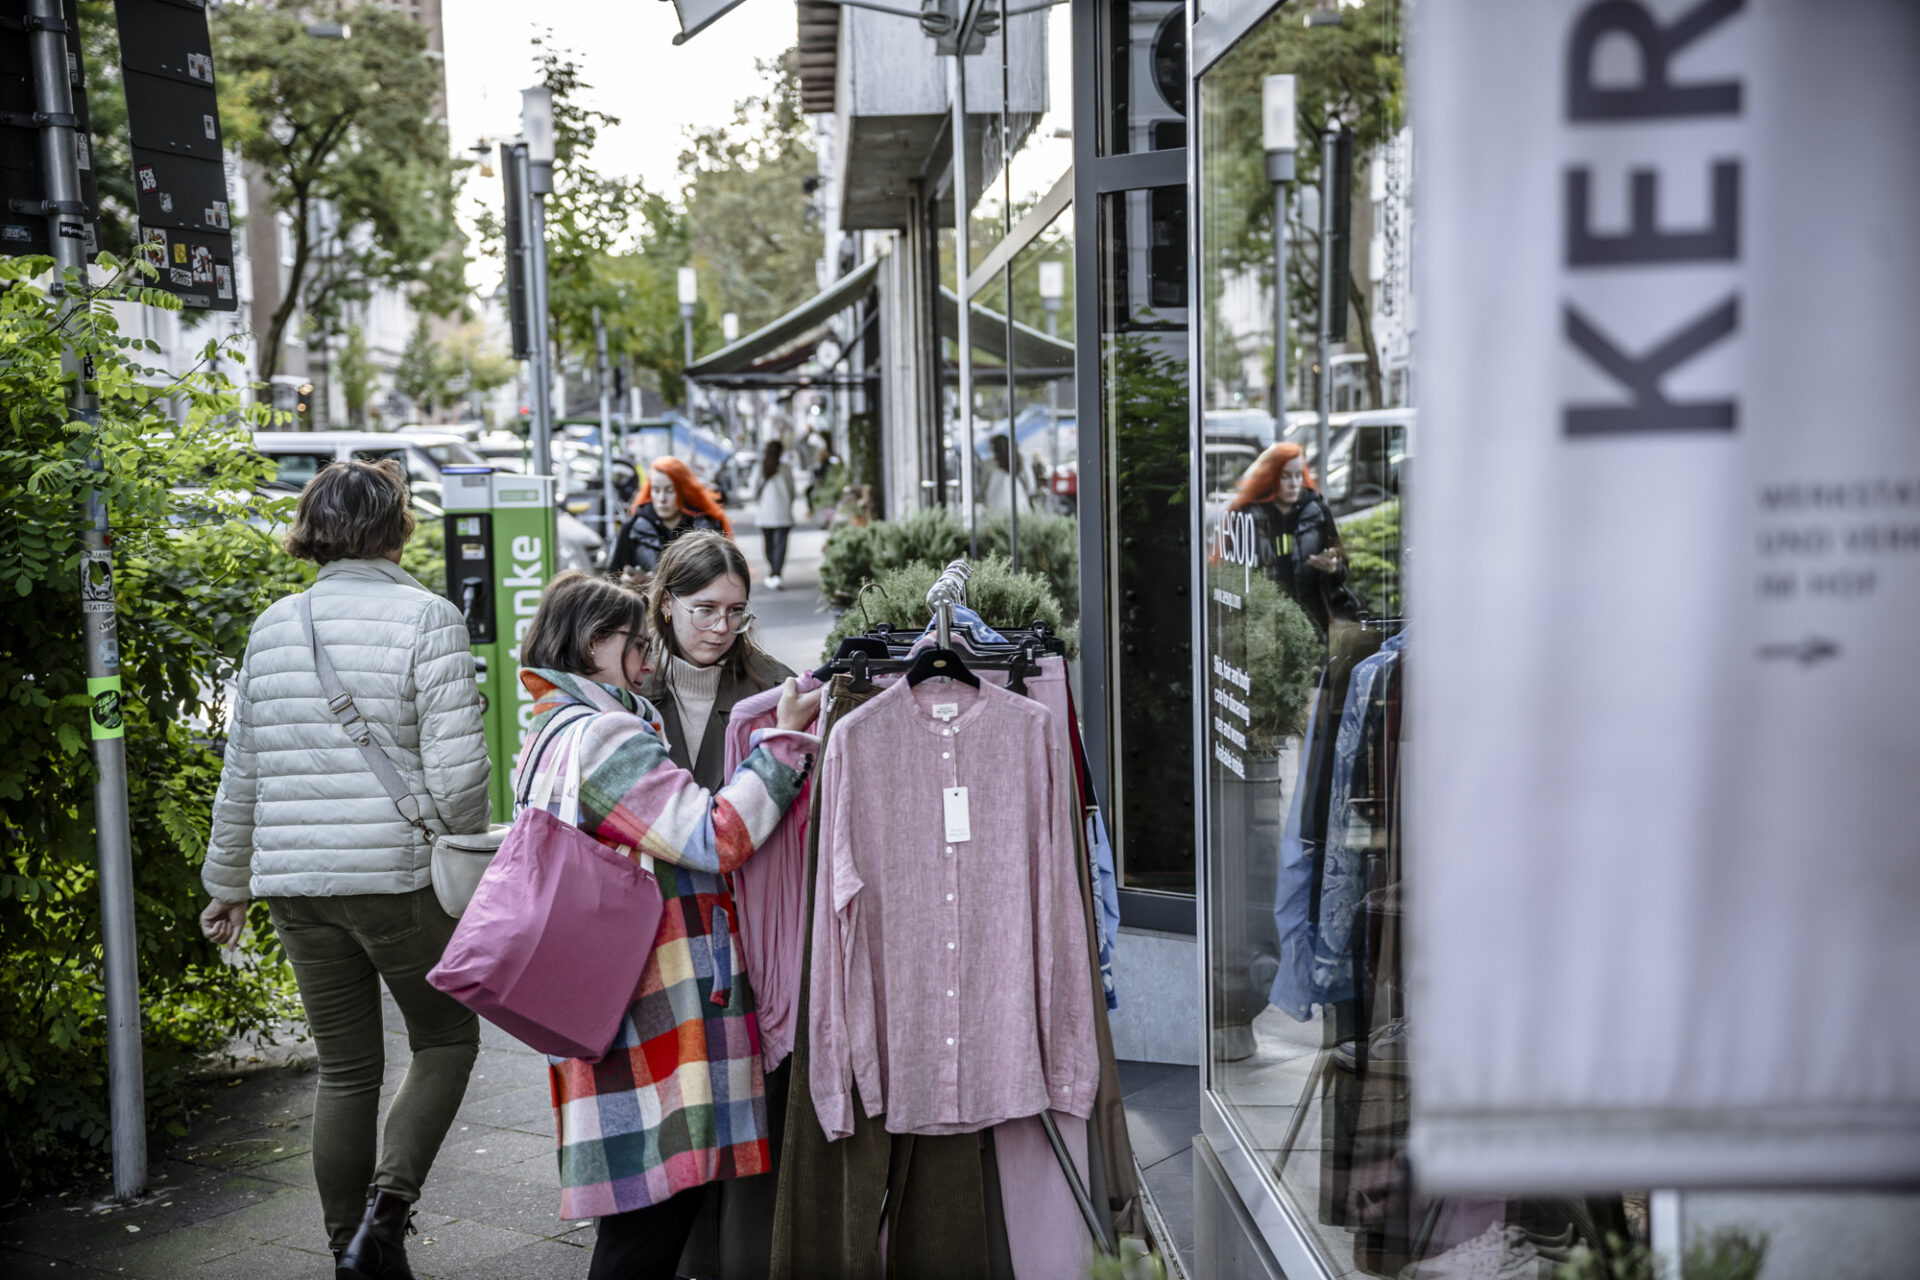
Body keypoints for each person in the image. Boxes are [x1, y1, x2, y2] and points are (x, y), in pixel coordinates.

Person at [199, 459, 490, 1279]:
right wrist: (458, 841)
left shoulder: (274, 625)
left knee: (347, 1068)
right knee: (445, 1039)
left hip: (296, 887)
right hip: (396, 879)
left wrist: (228, 885)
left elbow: (243, 769)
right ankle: (387, 1215)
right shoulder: (428, 617)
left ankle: (347, 1254)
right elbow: (462, 778)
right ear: (397, 526)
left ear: (313, 525)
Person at [512, 569, 820, 1280]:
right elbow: (718, 837)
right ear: (593, 644)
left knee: (644, 1211)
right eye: (635, 644)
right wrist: (783, 741)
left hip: (602, 989)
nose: (649, 662)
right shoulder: (605, 738)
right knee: (649, 1219)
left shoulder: (551, 728)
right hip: (648, 1000)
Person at [1229, 440, 1361, 635]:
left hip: (1317, 623)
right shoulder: (1250, 516)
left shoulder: (1317, 512)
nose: (1294, 484)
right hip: (1270, 625)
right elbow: (1235, 575)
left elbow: (1342, 570)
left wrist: (1333, 567)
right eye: (1285, 476)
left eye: (1298, 475)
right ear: (1271, 478)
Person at [607, 455, 732, 574]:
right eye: (656, 490)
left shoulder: (708, 528)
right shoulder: (632, 528)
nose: (662, 498)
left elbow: (725, 574)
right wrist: (627, 584)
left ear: (684, 491)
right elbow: (613, 578)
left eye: (670, 490)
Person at [753, 439, 796, 589]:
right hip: (783, 514)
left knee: (769, 545)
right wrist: (788, 504)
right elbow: (792, 491)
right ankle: (776, 573)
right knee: (780, 546)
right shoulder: (786, 469)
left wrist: (759, 502)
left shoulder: (760, 468)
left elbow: (753, 489)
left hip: (766, 514)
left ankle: (774, 571)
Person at [982, 431, 1033, 516]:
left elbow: (983, 487)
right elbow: (1031, 486)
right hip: (1019, 505)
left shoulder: (988, 464)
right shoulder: (1020, 462)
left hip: (994, 507)